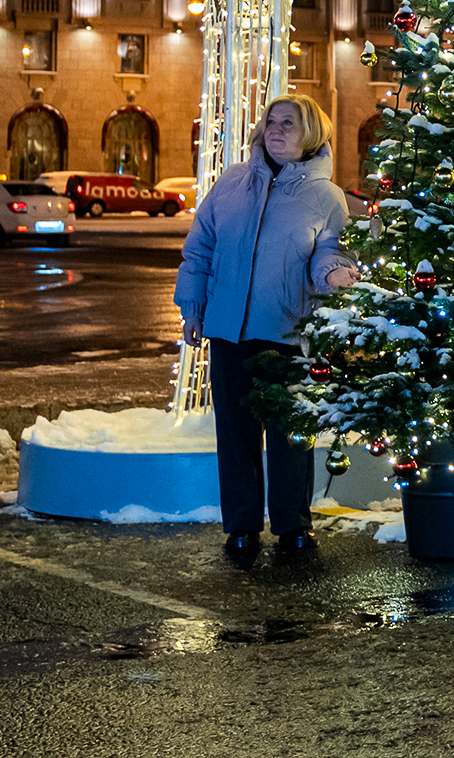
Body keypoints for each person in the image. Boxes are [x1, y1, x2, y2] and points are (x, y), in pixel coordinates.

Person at [176, 93, 358, 567]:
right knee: (235, 435)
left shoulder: (326, 196)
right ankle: (241, 527)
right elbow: (200, 250)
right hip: (228, 331)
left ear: (311, 135)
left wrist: (335, 271)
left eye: (289, 124)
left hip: (288, 334)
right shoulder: (233, 182)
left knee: (290, 435)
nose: (275, 130)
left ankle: (293, 526)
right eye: (271, 122)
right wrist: (193, 306)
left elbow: (331, 251)